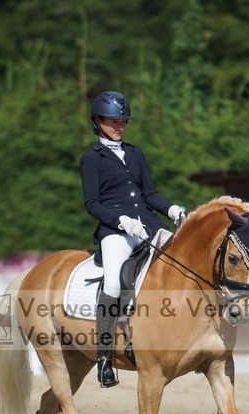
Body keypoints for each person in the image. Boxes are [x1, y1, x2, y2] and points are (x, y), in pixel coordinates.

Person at [80, 90, 185, 388]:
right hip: (116, 230)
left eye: (123, 121)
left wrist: (171, 209)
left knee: (179, 266)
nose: (120, 126)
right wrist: (120, 221)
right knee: (114, 283)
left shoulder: (136, 153)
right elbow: (92, 203)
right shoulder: (92, 158)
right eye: (113, 121)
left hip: (148, 225)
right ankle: (104, 358)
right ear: (98, 121)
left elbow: (149, 193)